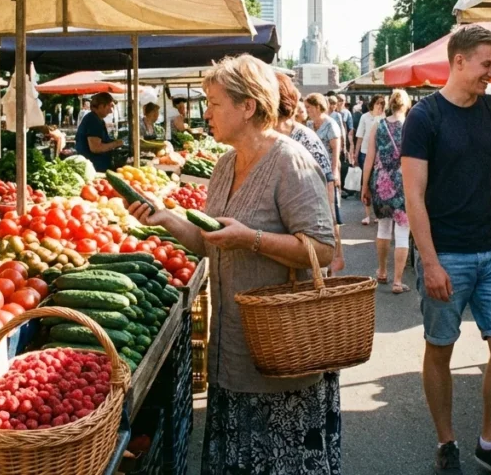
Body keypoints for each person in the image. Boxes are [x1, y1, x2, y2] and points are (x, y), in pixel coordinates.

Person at [127, 54, 338, 474]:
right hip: (233, 352)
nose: (206, 113)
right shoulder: (224, 165)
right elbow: (211, 244)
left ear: (248, 107)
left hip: (281, 355)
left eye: (214, 103)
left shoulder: (290, 162)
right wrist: (165, 218)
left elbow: (323, 249)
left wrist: (251, 238)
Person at [401, 25, 491, 475]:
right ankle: (446, 442)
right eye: (486, 64)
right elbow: (414, 195)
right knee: (441, 347)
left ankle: (489, 443)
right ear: (459, 60)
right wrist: (430, 262)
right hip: (446, 253)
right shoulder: (424, 117)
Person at [274, 72, 345, 274]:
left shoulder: (305, 138)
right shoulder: (295, 132)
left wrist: (331, 241)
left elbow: (326, 178)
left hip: (310, 230)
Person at [362, 89, 412, 292]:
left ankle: (382, 271)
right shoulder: (410, 126)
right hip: (404, 183)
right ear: (407, 105)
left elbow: (369, 158)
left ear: (390, 104)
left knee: (383, 228)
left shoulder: (378, 125)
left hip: (381, 183)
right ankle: (398, 281)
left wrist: (364, 185)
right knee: (402, 231)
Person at [306, 93, 343, 225]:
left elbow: (336, 150)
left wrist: (334, 172)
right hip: (312, 171)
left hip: (327, 171)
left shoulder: (330, 124)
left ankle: (335, 235)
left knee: (331, 210)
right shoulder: (309, 124)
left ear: (317, 107)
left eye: (308, 107)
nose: (306, 110)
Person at [356, 95, 387, 225]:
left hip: (379, 154)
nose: (379, 106)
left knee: (379, 185)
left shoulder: (384, 119)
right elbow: (360, 136)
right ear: (373, 104)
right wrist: (355, 153)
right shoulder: (364, 117)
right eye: (377, 103)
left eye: (382, 104)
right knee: (367, 183)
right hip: (365, 152)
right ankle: (367, 215)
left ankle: (378, 214)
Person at [75, 92, 123, 171]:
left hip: (97, 166)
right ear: (101, 106)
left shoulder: (97, 119)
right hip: (94, 168)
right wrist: (116, 143)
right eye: (109, 106)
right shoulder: (93, 120)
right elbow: (95, 148)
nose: (111, 111)